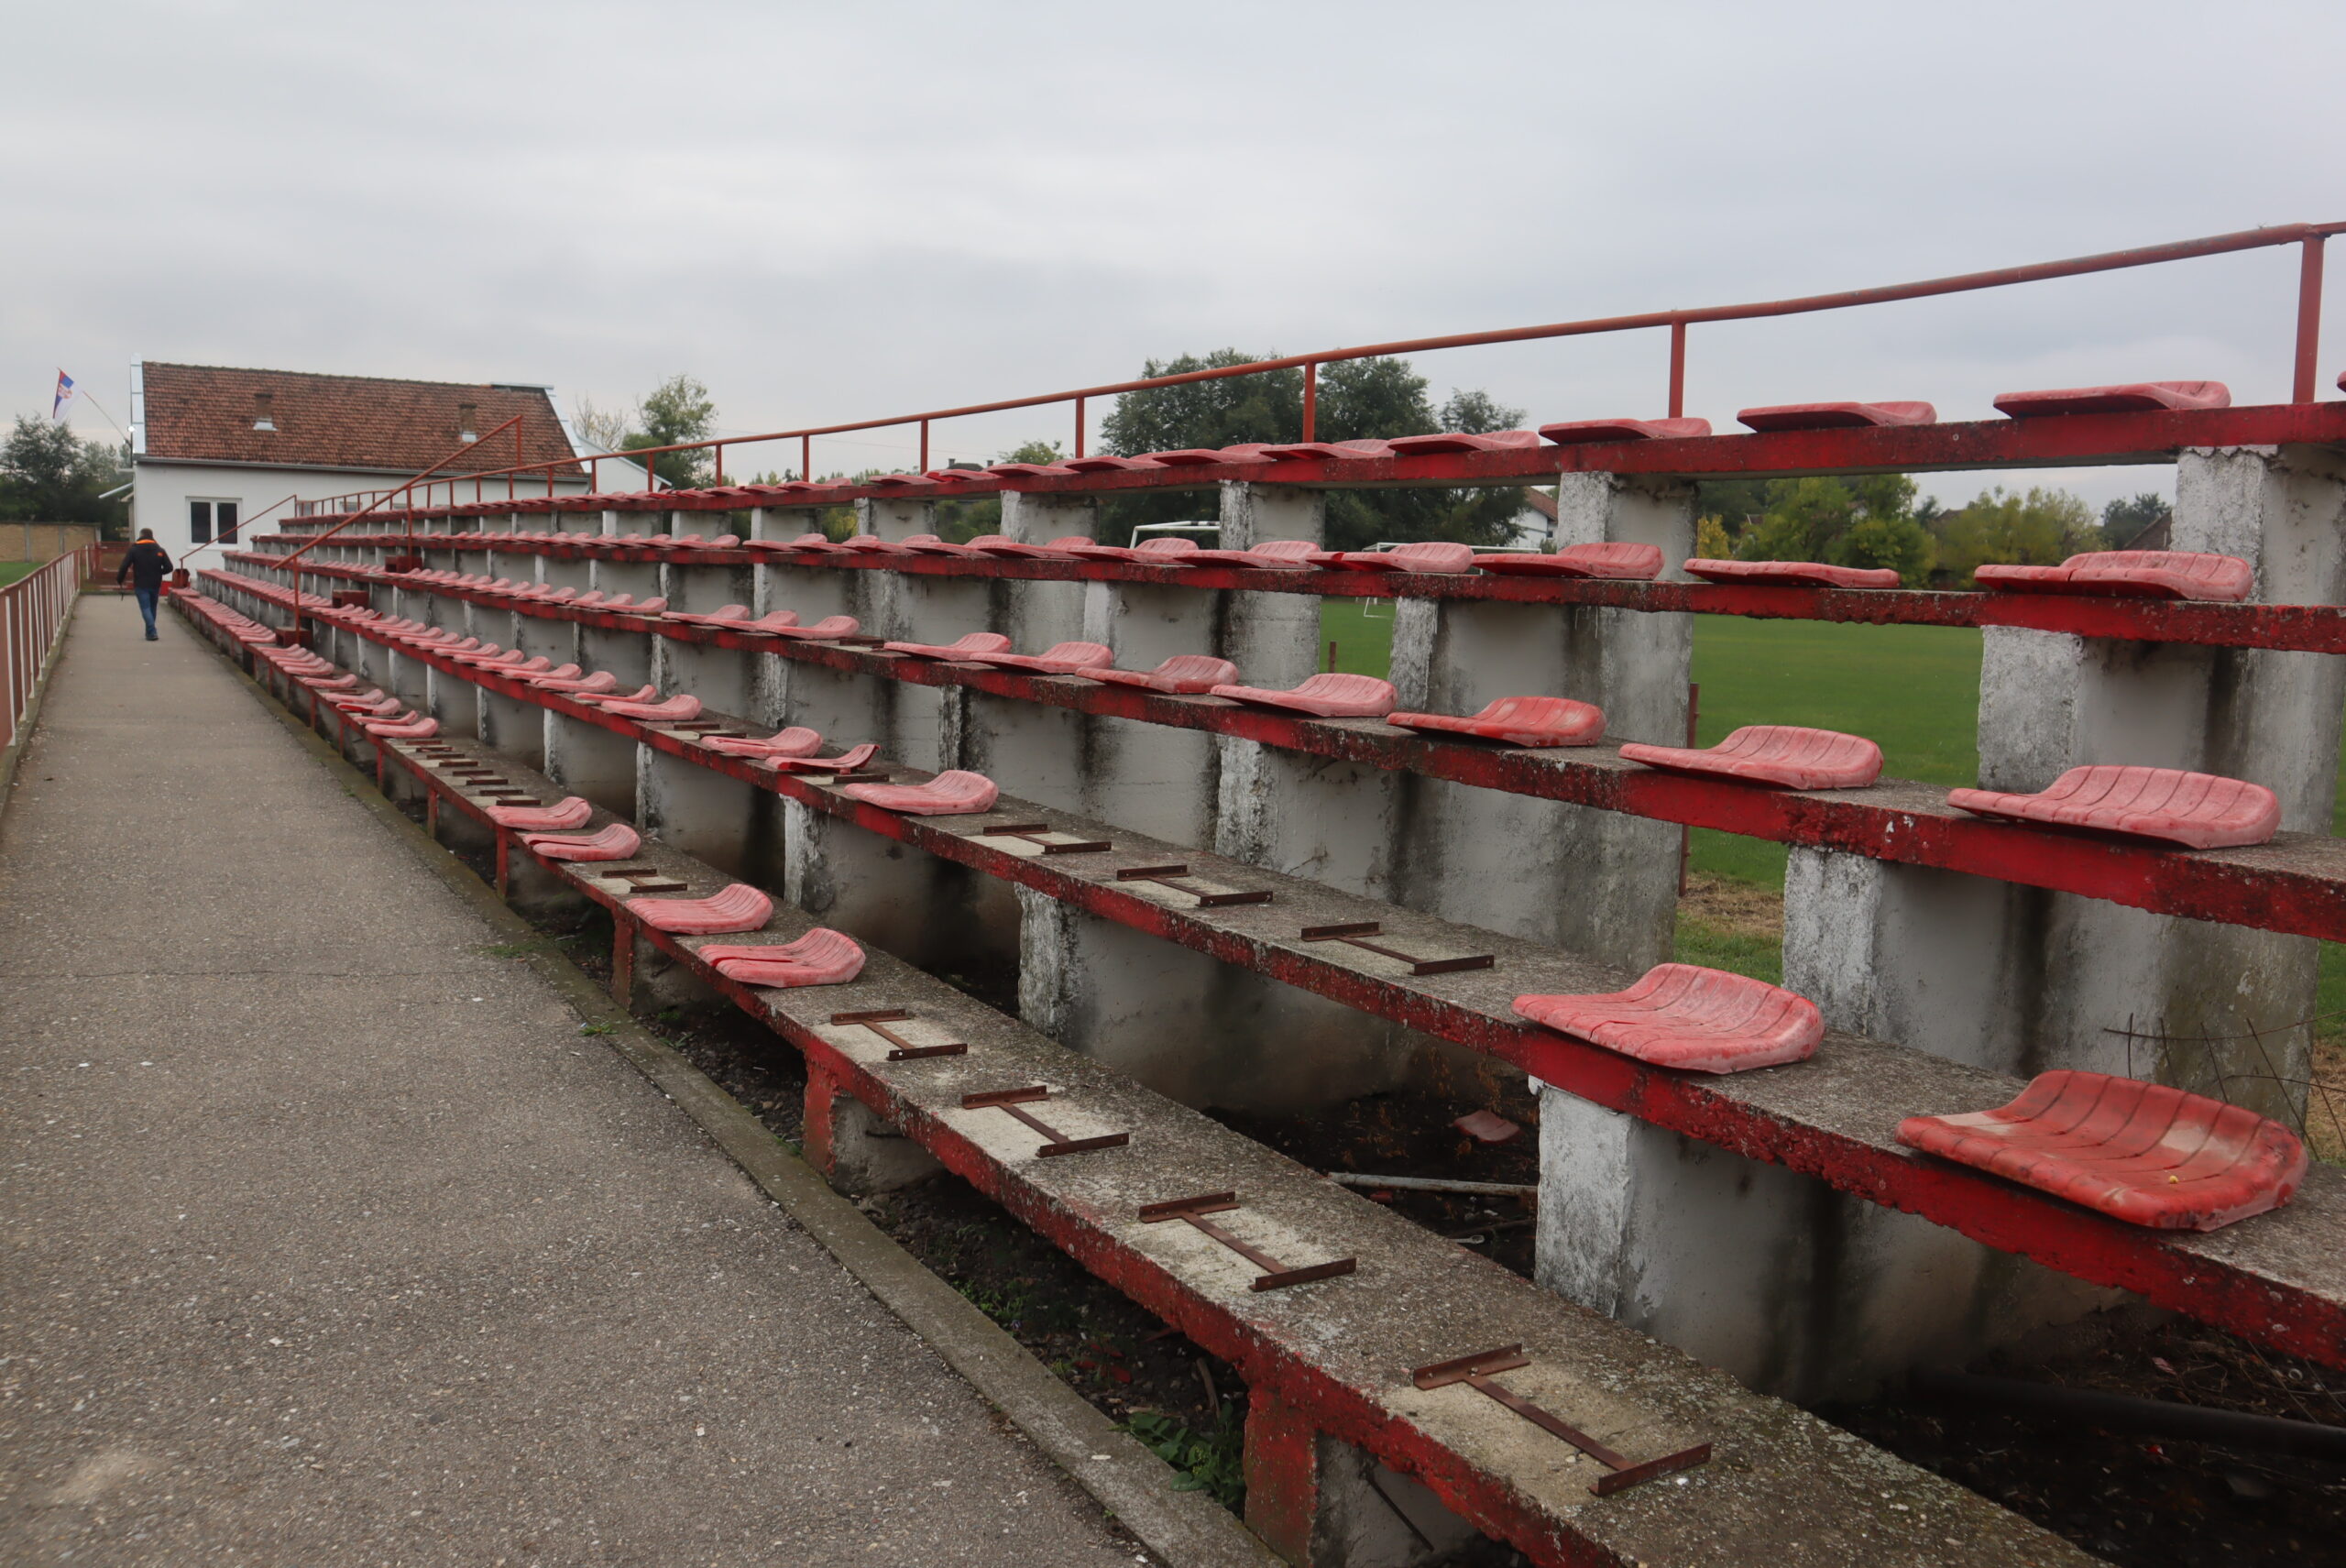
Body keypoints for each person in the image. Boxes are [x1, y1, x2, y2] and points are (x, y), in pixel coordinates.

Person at [118, 529, 173, 641]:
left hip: (141, 584)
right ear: (152, 536)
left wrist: (120, 579)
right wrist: (159, 572)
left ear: (141, 535)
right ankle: (150, 633)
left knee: (145, 608)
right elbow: (169, 567)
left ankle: (152, 631)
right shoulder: (160, 550)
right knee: (152, 608)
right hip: (156, 584)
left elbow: (124, 566)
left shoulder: (134, 550)